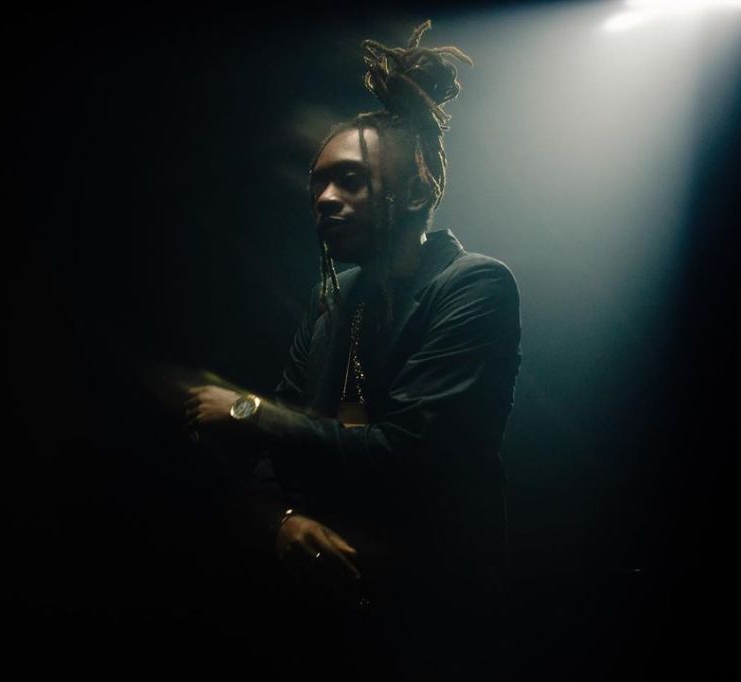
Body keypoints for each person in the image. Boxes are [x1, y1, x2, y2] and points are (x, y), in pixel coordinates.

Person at [183, 20, 521, 677]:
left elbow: (409, 453)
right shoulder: (331, 299)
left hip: (436, 621)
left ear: (417, 190)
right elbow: (276, 452)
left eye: (351, 181)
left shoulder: (474, 285)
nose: (325, 199)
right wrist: (282, 519)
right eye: (318, 184)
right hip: (329, 621)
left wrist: (246, 411)